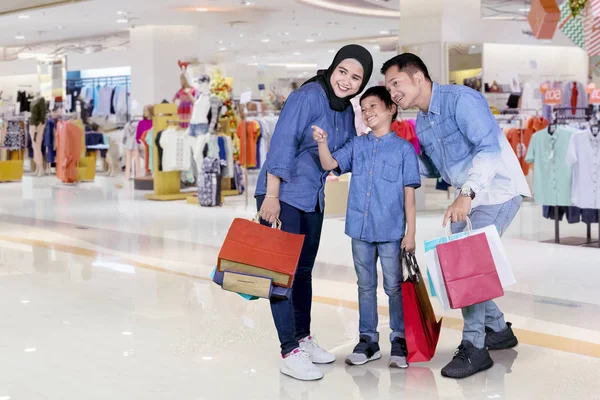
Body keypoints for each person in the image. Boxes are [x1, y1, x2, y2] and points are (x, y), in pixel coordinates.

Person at [382, 53, 530, 379]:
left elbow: (488, 149)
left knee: (470, 265)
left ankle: (475, 347)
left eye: (396, 83)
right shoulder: (422, 122)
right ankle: (497, 330)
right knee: (458, 270)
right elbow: (436, 169)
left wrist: (466, 194)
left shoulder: (462, 100)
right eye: (387, 87)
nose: (392, 92)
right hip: (467, 197)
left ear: (418, 77)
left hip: (496, 190)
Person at [255, 44, 373, 381]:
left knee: (303, 271)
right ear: (332, 68)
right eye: (343, 72)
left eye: (356, 77)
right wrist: (272, 194)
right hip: (283, 193)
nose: (347, 81)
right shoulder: (307, 96)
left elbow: (339, 156)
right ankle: (288, 350)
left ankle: (303, 338)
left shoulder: (346, 111)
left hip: (312, 198)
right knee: (282, 275)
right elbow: (282, 142)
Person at [311, 86, 421, 368]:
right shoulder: (356, 145)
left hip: (391, 230)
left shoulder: (404, 150)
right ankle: (368, 340)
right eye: (364, 108)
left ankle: (399, 339)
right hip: (359, 228)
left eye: (373, 106)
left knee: (394, 286)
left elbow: (410, 194)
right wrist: (322, 143)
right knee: (365, 286)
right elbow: (330, 164)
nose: (368, 112)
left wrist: (411, 232)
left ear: (391, 109)